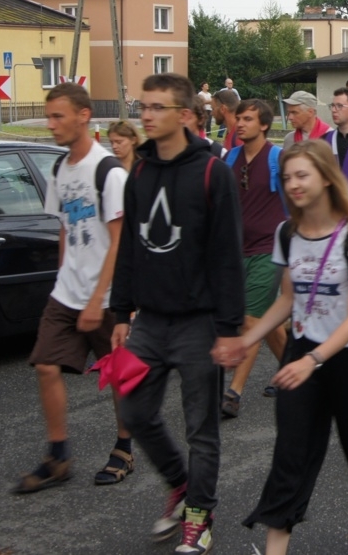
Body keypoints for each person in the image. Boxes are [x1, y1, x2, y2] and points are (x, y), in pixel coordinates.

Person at [224, 140, 348, 555]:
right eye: (287, 177)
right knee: (292, 454)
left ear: (325, 178)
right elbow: (288, 299)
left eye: (302, 175)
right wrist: (245, 340)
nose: (293, 184)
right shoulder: (287, 234)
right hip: (302, 352)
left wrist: (314, 360)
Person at [111, 73, 244, 553]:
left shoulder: (213, 173)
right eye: (143, 107)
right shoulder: (140, 172)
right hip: (149, 320)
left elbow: (228, 256)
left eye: (156, 108)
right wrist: (120, 312)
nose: (145, 116)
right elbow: (129, 246)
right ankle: (182, 484)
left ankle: (199, 517)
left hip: (199, 322)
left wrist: (228, 329)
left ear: (185, 115)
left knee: (201, 430)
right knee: (134, 411)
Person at [16, 82, 131, 494]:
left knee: (117, 376)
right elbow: (65, 227)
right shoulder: (58, 169)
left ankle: (124, 447)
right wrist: (62, 277)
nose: (50, 125)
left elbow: (119, 241)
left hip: (106, 294)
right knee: (45, 365)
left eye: (57, 116)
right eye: (49, 117)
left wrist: (98, 299)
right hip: (67, 292)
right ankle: (58, 455)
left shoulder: (108, 171)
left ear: (83, 116)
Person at [221, 99, 290, 419]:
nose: (240, 123)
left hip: (269, 250)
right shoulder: (230, 158)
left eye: (248, 119)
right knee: (267, 323)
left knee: (250, 321)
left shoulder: (278, 158)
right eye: (239, 118)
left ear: (264, 124)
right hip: (236, 251)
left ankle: (233, 392)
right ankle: (294, 370)